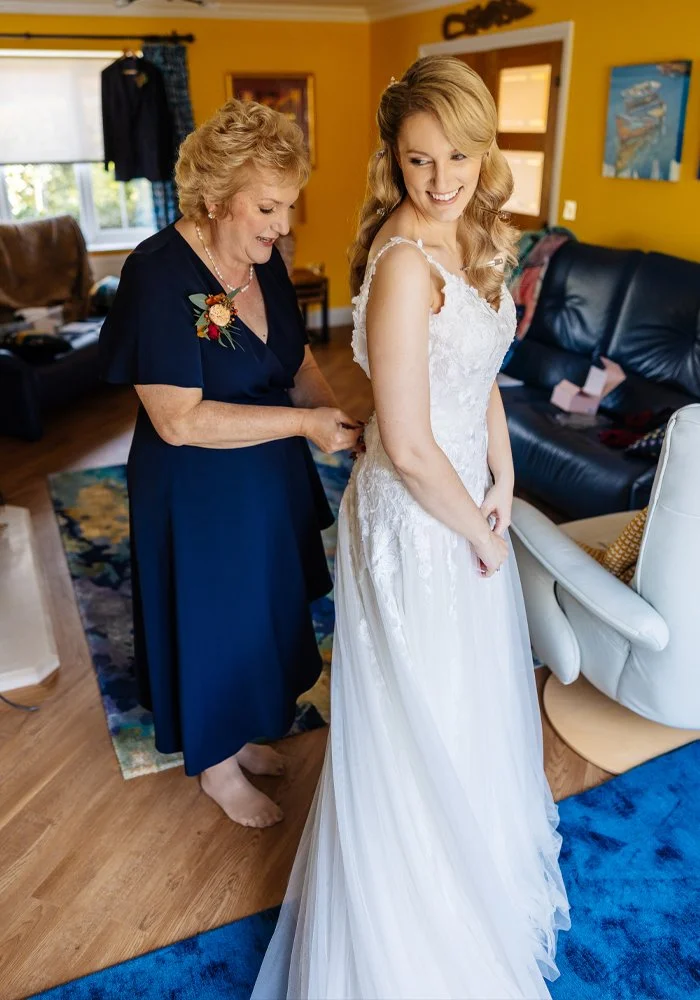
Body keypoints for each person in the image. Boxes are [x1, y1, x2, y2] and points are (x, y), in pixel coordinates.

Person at [252, 55, 570, 998]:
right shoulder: (399, 264)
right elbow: (407, 435)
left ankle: (472, 874)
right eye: (421, 161)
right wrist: (475, 531)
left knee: (466, 702)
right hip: (414, 519)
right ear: (395, 157)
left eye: (460, 157)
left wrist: (504, 480)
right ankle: (410, 938)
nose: (442, 180)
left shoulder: (473, 231)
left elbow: (476, 382)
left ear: (484, 153)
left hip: (467, 500)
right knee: (416, 713)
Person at [99, 99, 362, 829]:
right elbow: (177, 419)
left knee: (261, 612)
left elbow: (297, 357)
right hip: (197, 486)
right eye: (268, 207)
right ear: (216, 198)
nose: (282, 225)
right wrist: (304, 422)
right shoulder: (158, 275)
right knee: (211, 620)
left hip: (265, 474)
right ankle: (215, 765)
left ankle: (242, 734)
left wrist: (328, 408)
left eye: (289, 206)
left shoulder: (262, 259)